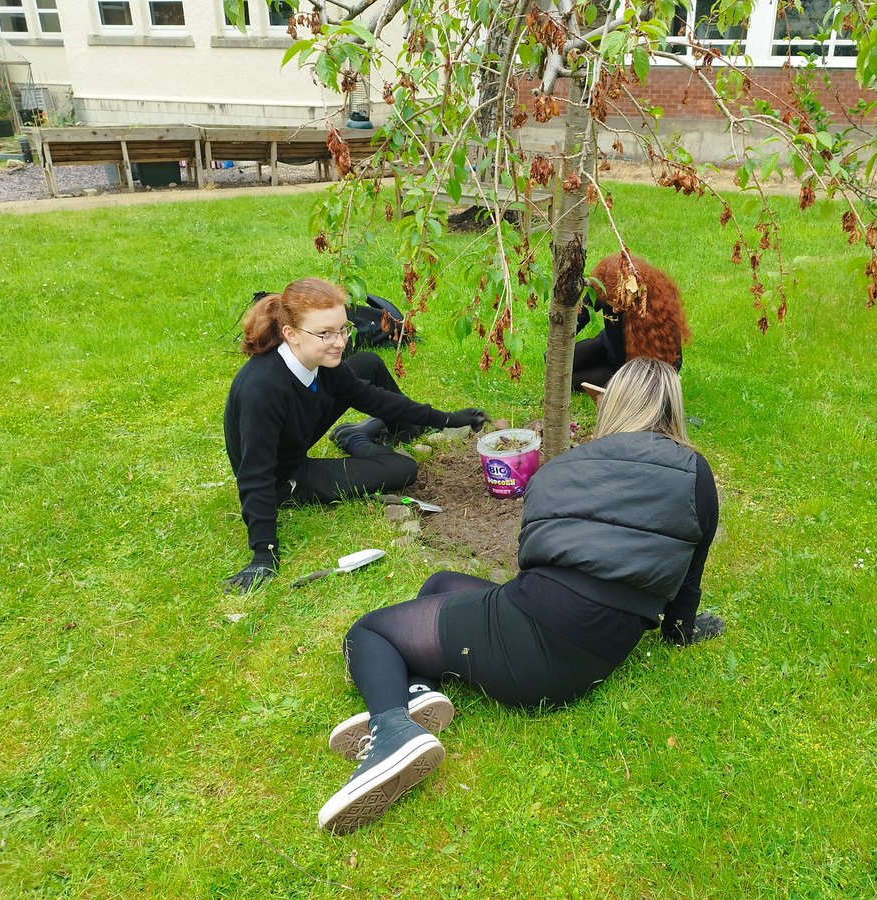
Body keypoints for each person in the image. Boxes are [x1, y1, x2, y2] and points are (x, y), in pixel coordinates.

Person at [317, 357, 724, 834]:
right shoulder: (695, 475)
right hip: (595, 654)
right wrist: (683, 631)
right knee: (441, 584)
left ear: (609, 404)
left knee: (369, 632)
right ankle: (417, 693)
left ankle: (391, 732)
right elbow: (685, 583)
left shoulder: (562, 468)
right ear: (672, 408)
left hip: (530, 650)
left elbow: (530, 561)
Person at [222, 277, 486, 593]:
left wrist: (446, 418)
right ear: (290, 334)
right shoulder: (262, 389)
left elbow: (371, 397)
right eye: (324, 333)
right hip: (284, 475)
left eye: (343, 329)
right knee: (402, 469)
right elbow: (254, 475)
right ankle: (355, 438)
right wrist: (263, 554)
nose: (339, 342)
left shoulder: (320, 361)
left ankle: (390, 430)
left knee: (368, 363)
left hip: (296, 434)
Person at [572, 252, 691, 392]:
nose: (615, 310)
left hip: (630, 371)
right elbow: (582, 315)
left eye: (620, 306)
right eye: (611, 305)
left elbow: (674, 361)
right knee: (554, 361)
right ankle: (599, 364)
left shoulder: (658, 304)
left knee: (571, 380)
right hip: (608, 345)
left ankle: (606, 374)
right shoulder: (604, 285)